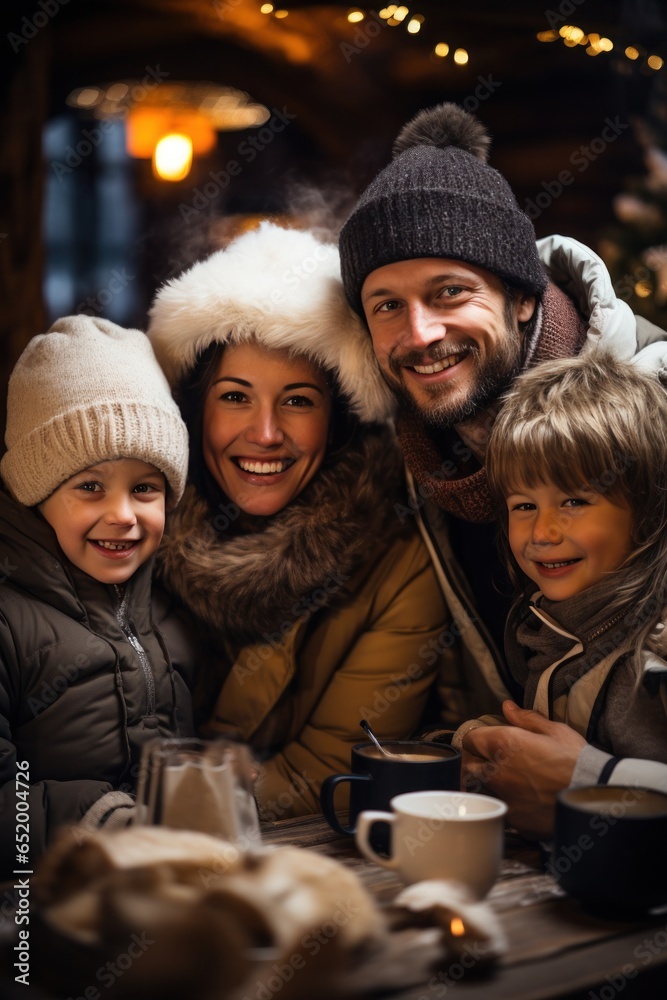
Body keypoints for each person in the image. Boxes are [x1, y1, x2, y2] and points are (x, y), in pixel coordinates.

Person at [337, 101, 667, 831]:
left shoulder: (658, 418)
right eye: (385, 305)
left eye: (449, 292)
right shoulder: (431, 460)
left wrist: (594, 788)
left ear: (521, 298)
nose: (418, 334)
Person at [147, 220, 447, 819]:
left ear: (336, 420)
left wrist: (158, 806)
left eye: (298, 401)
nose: (265, 433)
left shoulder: (398, 559)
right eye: (235, 396)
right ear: (195, 411)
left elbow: (326, 773)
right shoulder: (135, 527)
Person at [0, 316, 193, 874]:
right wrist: (101, 819)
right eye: (90, 486)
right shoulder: (9, 621)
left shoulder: (170, 606)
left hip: (161, 889)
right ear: (36, 492)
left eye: (145, 488)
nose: (124, 516)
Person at [453, 353, 667, 837]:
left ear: (648, 507)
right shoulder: (551, 627)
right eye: (524, 505)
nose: (543, 532)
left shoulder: (657, 643)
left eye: (574, 501)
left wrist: (590, 781)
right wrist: (476, 743)